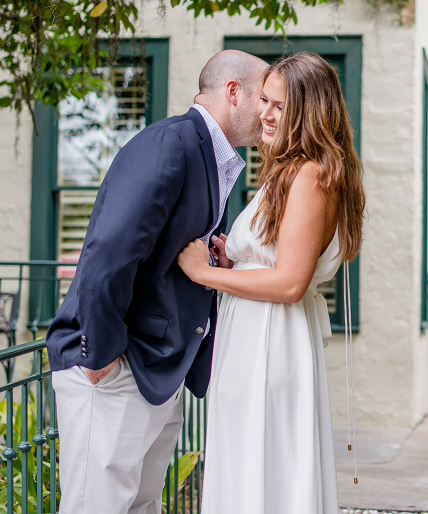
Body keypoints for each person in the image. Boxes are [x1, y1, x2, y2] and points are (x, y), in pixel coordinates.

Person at [45, 50, 268, 514]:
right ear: (234, 92)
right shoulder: (171, 144)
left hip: (158, 372)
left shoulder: (213, 159)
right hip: (113, 367)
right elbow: (109, 249)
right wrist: (101, 351)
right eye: (264, 97)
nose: (269, 111)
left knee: (141, 505)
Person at [177, 51, 365, 514]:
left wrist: (206, 273)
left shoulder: (311, 174)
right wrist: (234, 261)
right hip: (253, 336)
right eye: (263, 100)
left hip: (271, 340)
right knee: (249, 465)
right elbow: (274, 260)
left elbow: (288, 283)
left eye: (279, 106)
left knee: (265, 466)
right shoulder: (288, 170)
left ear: (308, 112)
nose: (264, 112)